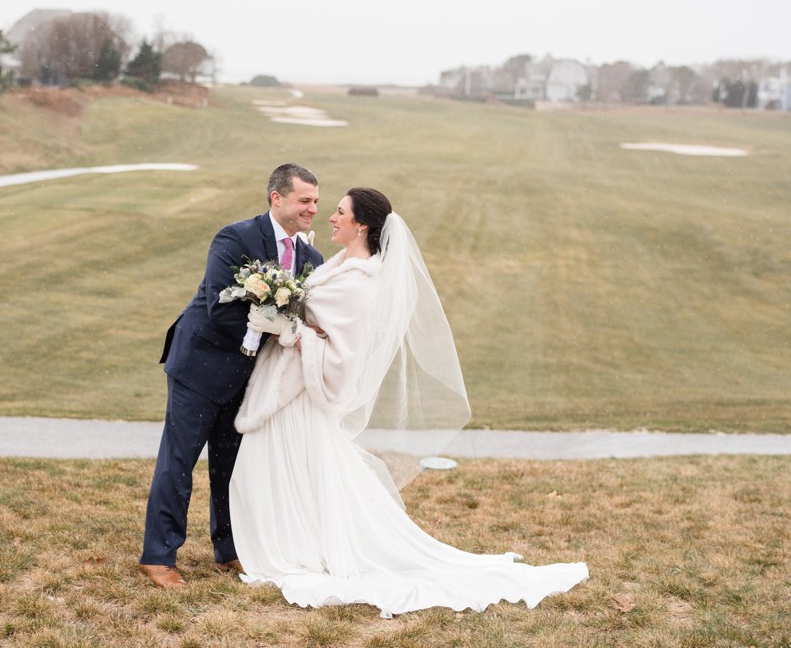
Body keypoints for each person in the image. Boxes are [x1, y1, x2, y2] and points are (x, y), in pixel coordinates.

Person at [230, 187, 588, 617]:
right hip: (288, 389)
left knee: (285, 468)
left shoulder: (360, 284)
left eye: (340, 212)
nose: (331, 217)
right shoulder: (341, 266)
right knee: (281, 470)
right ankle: (290, 540)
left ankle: (294, 548)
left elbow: (342, 352)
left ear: (361, 224)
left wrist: (285, 329)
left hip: (302, 395)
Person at [138, 164, 325, 588]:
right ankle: (158, 556)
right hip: (200, 365)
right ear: (277, 198)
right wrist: (284, 330)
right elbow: (220, 311)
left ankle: (229, 551)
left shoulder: (311, 259)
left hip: (251, 378)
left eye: (316, 200)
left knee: (233, 466)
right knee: (179, 461)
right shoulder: (235, 238)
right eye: (305, 200)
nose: (313, 208)